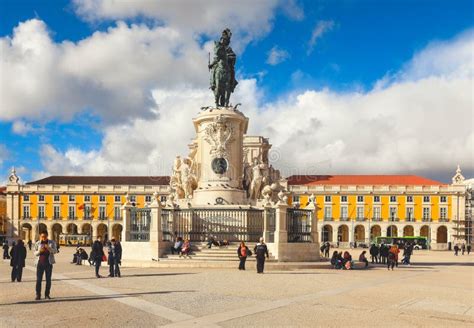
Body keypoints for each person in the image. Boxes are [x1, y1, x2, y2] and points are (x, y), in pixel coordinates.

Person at [34, 231, 57, 300]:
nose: (43, 238)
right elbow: (34, 253)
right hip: (40, 263)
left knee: (48, 280)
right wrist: (39, 251)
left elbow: (55, 251)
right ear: (40, 236)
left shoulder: (52, 242)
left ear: (47, 236)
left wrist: (49, 248)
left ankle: (47, 294)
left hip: (48, 263)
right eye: (42, 237)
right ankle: (38, 295)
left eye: (44, 237)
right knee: (38, 280)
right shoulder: (37, 243)